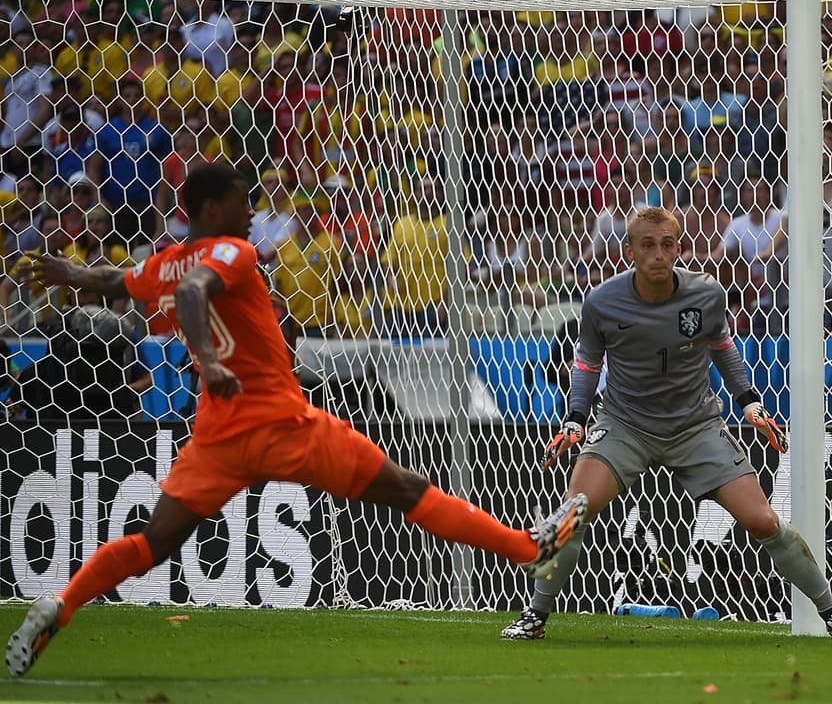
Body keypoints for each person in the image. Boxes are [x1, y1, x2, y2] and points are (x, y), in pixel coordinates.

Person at [5, 163, 588, 678]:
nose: (253, 208)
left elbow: (120, 282)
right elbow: (193, 294)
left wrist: (68, 274)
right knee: (405, 488)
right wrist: (208, 362)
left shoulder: (165, 260)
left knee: (153, 542)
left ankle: (60, 605)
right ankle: (525, 549)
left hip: (218, 437)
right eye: (243, 199)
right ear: (213, 209)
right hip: (281, 424)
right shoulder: (230, 252)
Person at [501, 206, 832, 641]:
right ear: (628, 250)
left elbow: (722, 347)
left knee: (763, 521)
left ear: (680, 248)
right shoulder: (602, 302)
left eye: (668, 244)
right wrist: (575, 417)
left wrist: (750, 402)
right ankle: (535, 615)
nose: (658, 254)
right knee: (574, 511)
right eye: (647, 245)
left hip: (696, 427)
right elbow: (588, 362)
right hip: (624, 425)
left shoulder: (705, 294)